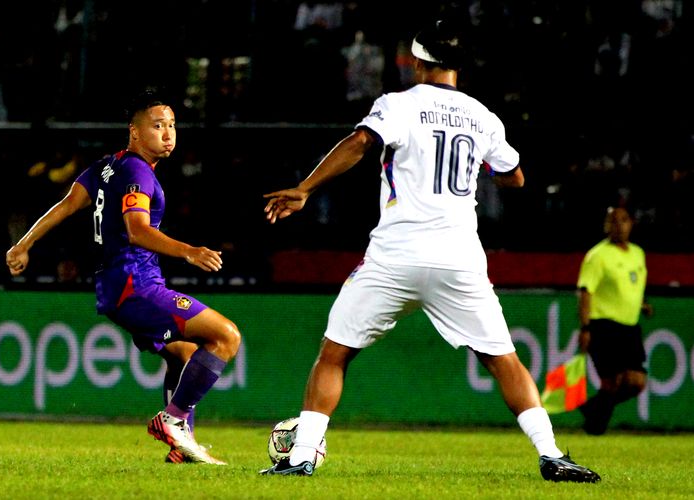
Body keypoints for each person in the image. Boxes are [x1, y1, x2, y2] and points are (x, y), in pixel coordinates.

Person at [259, 20, 600, 483]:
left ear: (416, 61)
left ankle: (301, 457)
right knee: (504, 361)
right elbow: (515, 176)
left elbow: (361, 142)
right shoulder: (484, 118)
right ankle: (552, 454)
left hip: (395, 256)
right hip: (458, 258)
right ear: (459, 65)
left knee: (334, 354)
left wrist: (305, 188)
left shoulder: (400, 105)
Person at [5, 89, 241, 465]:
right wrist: (190, 251)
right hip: (137, 285)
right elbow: (138, 231)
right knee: (226, 336)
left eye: (172, 126)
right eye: (158, 126)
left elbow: (67, 205)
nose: (168, 133)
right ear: (134, 131)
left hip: (117, 288)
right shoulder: (136, 171)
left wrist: (23, 244)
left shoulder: (107, 166)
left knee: (183, 356)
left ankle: (182, 448)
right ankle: (173, 421)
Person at [577, 206, 651, 435]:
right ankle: (595, 428)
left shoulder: (637, 253)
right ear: (606, 226)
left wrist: (642, 304)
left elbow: (630, 286)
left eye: (623, 220)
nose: (618, 225)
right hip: (603, 325)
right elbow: (585, 291)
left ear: (631, 224)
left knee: (636, 382)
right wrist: (586, 327)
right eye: (613, 221)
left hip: (630, 327)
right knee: (612, 381)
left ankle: (592, 409)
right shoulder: (597, 256)